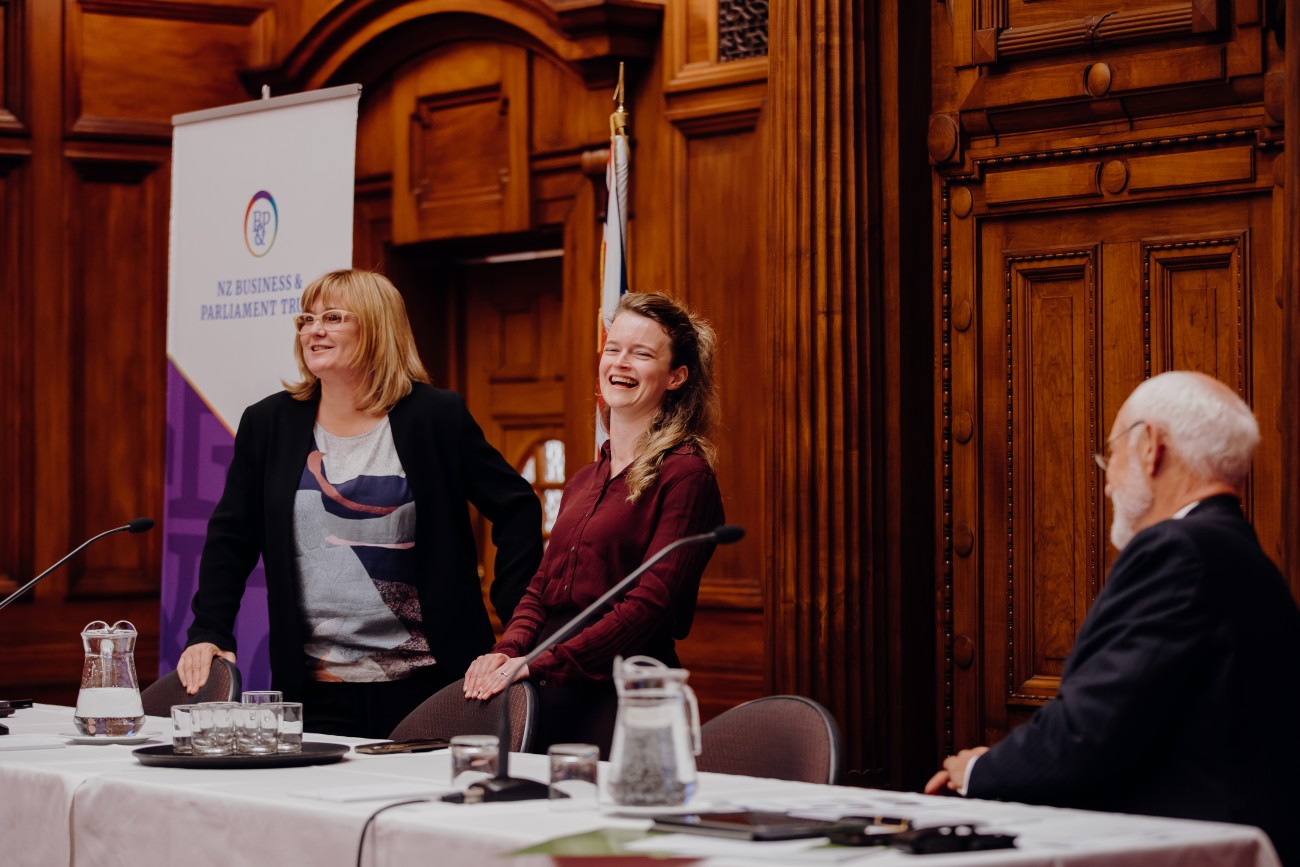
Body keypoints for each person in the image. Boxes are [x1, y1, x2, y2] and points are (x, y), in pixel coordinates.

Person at [924, 371, 1300, 865]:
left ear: (1150, 446)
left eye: (1111, 455)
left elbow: (1088, 732)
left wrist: (978, 771)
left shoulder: (1177, 550)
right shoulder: (1243, 556)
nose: (1106, 482)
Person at [178, 269, 543, 738]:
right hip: (313, 687)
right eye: (306, 320)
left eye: (332, 317)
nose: (314, 330)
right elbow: (232, 535)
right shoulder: (270, 423)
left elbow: (517, 506)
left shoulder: (434, 416)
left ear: (376, 327)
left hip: (433, 683)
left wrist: (517, 625)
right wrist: (210, 629)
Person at [461, 292, 725, 756]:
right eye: (613, 348)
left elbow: (651, 606)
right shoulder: (586, 477)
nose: (620, 362)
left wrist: (539, 660)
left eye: (642, 353)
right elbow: (542, 588)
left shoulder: (686, 474)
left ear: (676, 376)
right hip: (546, 687)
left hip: (622, 694)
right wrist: (507, 650)